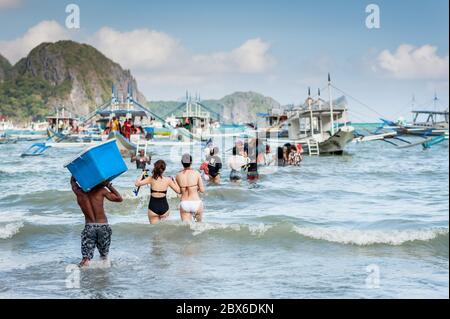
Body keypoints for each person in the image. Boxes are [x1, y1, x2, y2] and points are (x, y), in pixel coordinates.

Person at [71, 177, 123, 267]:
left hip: (89, 227)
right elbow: (119, 198)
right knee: (104, 257)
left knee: (85, 259)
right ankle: (103, 276)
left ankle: (82, 276)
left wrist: (76, 173)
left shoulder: (79, 192)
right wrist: (108, 185)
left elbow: (72, 181)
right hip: (103, 226)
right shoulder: (101, 190)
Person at [134, 160, 181, 224]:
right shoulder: (168, 180)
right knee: (163, 230)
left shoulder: (151, 178)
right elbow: (178, 191)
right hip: (164, 207)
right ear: (164, 169)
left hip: (153, 207)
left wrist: (142, 174)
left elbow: (137, 183)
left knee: (153, 230)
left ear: (155, 168)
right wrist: (174, 180)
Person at [176, 154, 205, 222]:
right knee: (198, 227)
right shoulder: (196, 173)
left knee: (186, 229)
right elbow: (202, 190)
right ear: (191, 162)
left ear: (182, 162)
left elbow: (179, 191)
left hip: (184, 203)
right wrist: (196, 188)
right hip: (196, 202)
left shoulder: (178, 175)